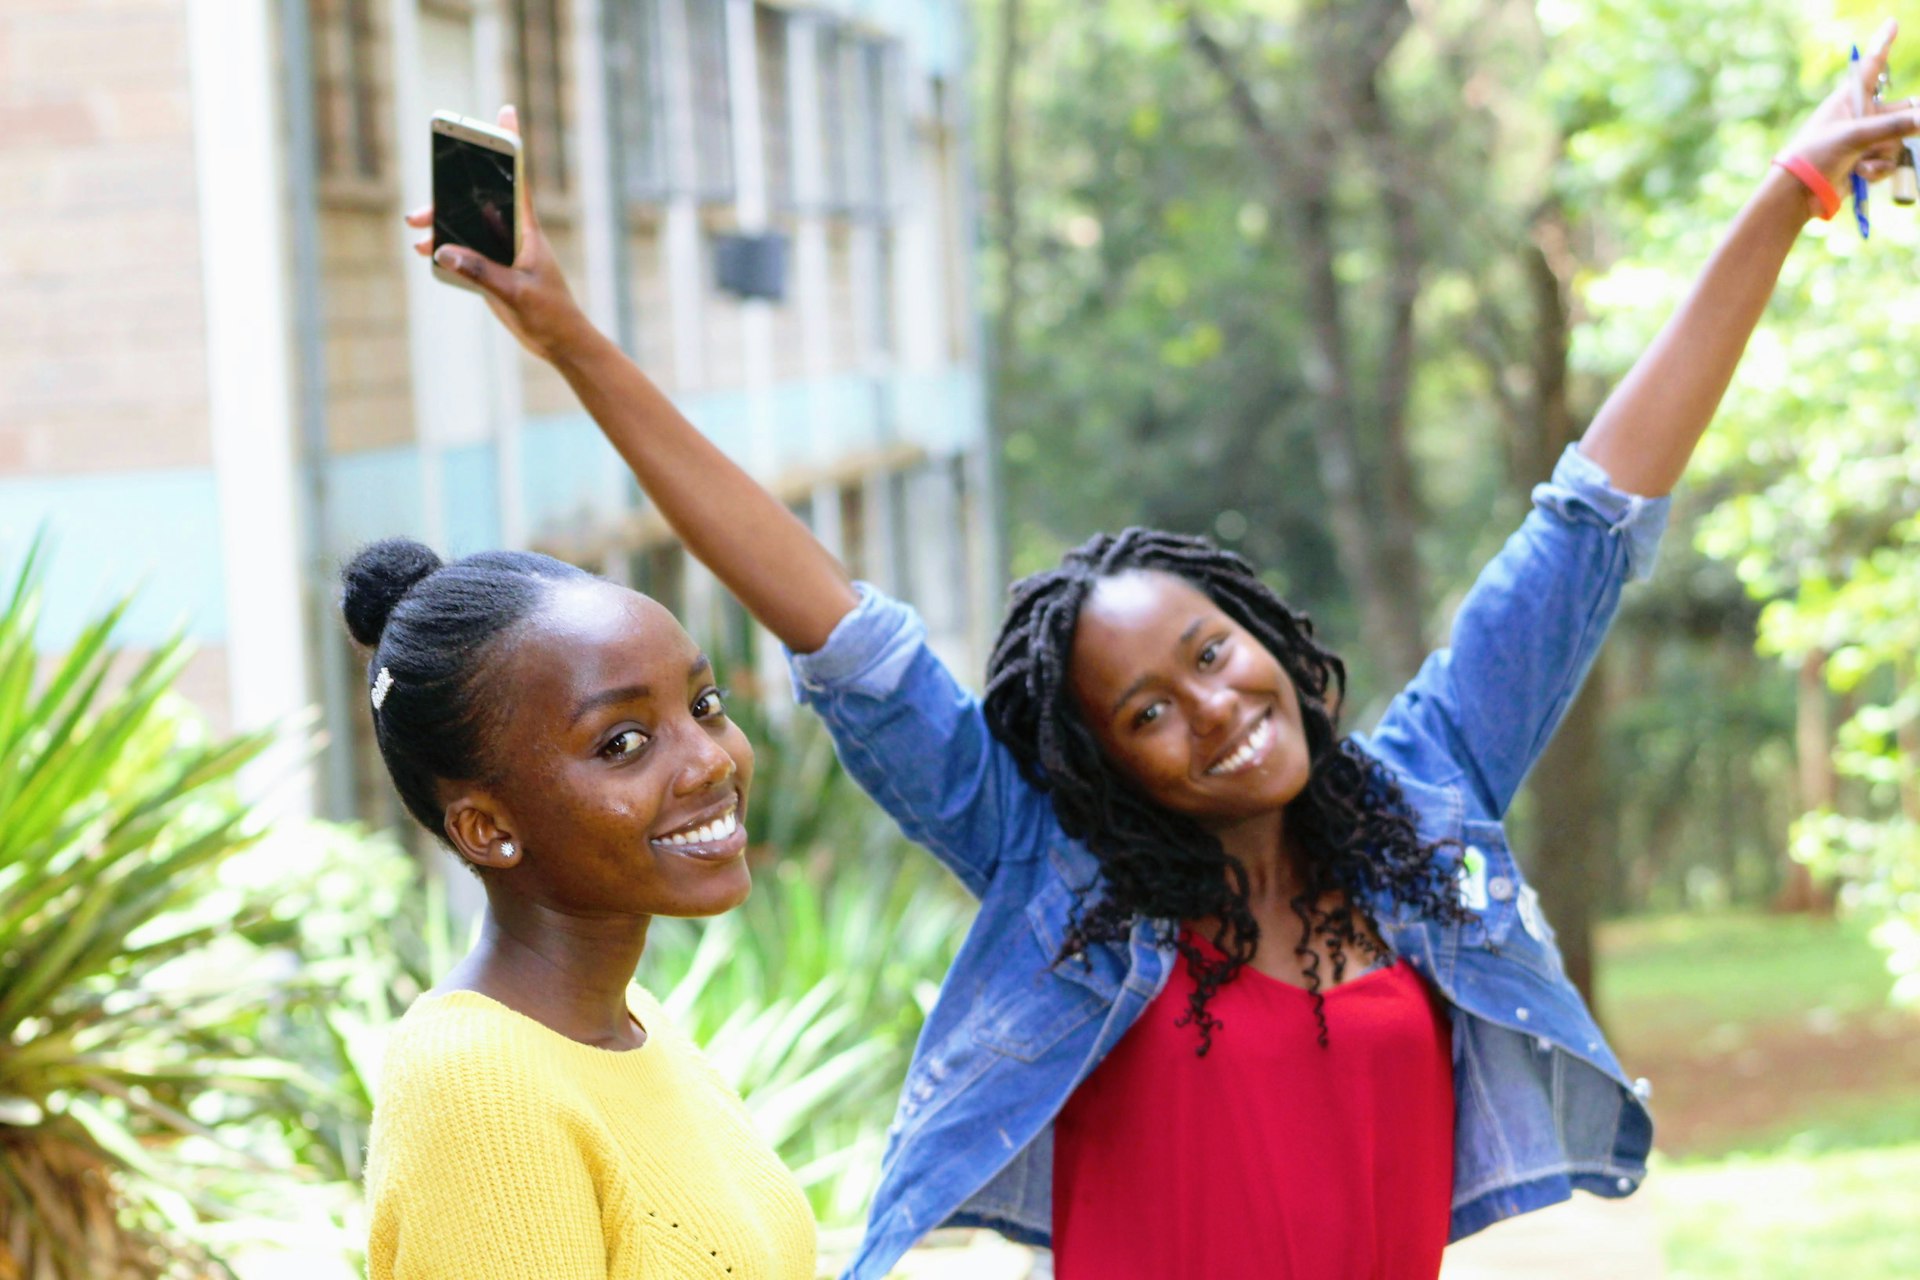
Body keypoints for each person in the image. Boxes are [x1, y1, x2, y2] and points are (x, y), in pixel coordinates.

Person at [417, 36, 1920, 1278]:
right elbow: (833, 623)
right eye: (1146, 709)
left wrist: (1784, 198)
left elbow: (1594, 514)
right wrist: (571, 341)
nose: (1212, 709)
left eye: (1214, 654)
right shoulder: (1056, 870)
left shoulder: (1427, 802)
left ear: (1267, 636)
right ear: (1100, 761)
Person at [344, 536, 816, 1279]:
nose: (712, 759)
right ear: (488, 828)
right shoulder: (479, 1089)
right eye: (624, 742)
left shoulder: (636, 1025)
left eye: (705, 705)